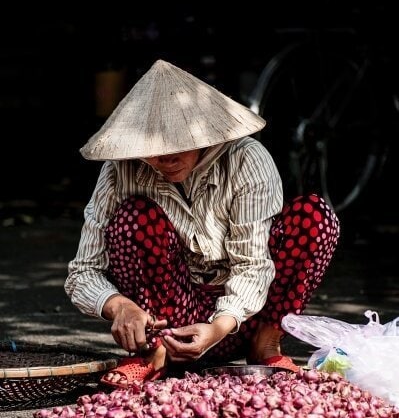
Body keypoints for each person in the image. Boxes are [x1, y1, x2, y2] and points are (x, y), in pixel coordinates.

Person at [65, 59, 340, 389]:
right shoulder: (119, 172)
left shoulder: (246, 160)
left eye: (179, 144)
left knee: (315, 216)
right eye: (154, 149)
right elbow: (83, 271)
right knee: (135, 218)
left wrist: (219, 327)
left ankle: (265, 345)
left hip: (245, 319)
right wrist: (120, 307)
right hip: (169, 322)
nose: (166, 159)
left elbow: (253, 265)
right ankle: (153, 355)